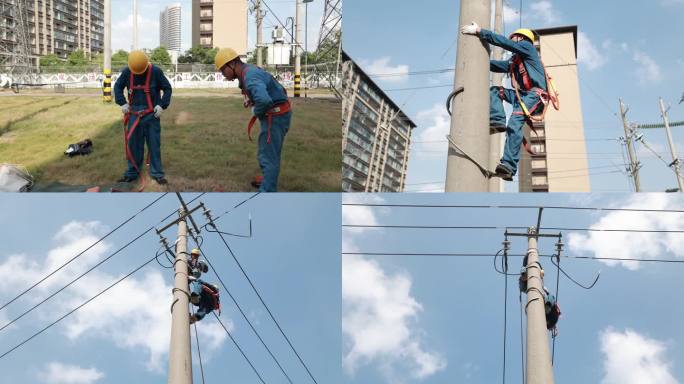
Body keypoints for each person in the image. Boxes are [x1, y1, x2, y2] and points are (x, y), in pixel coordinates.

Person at [461, 22, 550, 181]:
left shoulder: (527, 47)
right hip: (522, 96)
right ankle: (497, 121)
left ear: (521, 38)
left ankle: (508, 166)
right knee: (496, 91)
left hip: (534, 95)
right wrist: (476, 63)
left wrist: (480, 31)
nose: (513, 40)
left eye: (514, 38)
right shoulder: (515, 63)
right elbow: (496, 65)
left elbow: (505, 42)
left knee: (515, 121)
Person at [214, 48, 292, 192]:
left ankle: (267, 190)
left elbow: (264, 100)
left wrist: (256, 110)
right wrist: (252, 100)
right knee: (271, 152)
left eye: (223, 70)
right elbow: (264, 91)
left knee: (268, 156)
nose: (223, 75)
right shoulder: (248, 71)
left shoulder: (250, 76)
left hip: (275, 117)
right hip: (278, 114)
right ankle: (268, 178)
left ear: (231, 63)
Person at [113, 50, 172, 185]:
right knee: (133, 145)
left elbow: (167, 88)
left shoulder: (156, 72)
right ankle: (132, 173)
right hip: (134, 115)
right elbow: (117, 87)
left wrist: (162, 105)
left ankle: (157, 173)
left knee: (154, 145)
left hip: (152, 115)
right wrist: (122, 102)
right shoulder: (127, 72)